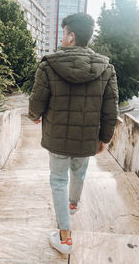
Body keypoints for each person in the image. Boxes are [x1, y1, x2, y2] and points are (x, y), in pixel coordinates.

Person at [28, 13, 119, 254]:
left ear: (71, 36)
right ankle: (72, 204)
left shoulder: (49, 64)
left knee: (58, 181)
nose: (62, 37)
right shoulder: (106, 68)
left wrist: (34, 115)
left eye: (64, 32)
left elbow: (37, 100)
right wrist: (104, 138)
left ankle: (65, 238)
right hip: (86, 138)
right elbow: (111, 108)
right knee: (79, 172)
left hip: (57, 138)